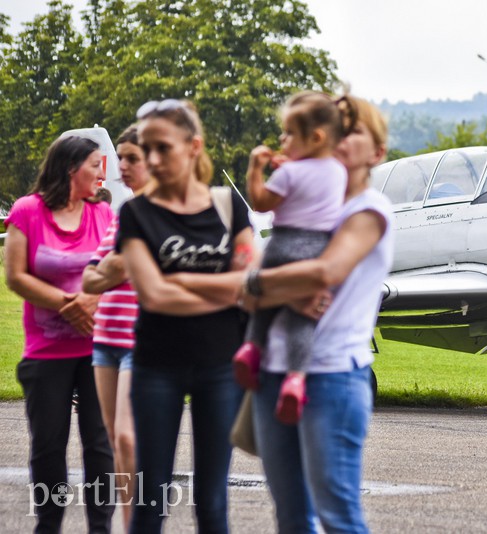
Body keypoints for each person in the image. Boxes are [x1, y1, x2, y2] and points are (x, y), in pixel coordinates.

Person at [169, 94, 392, 532]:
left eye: (354, 131)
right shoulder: (301, 210)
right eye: (338, 128)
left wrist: (258, 284)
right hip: (272, 375)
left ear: (378, 152)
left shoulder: (368, 210)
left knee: (337, 515)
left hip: (330, 375)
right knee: (290, 516)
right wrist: (272, 290)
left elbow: (326, 270)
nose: (341, 138)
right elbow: (251, 297)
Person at [116, 99, 253, 533]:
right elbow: (153, 296)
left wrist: (178, 281)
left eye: (164, 148)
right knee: (149, 503)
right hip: (156, 367)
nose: (152, 159)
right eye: (146, 148)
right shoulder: (136, 214)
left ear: (194, 147)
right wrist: (224, 288)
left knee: (212, 504)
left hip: (221, 368)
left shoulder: (229, 207)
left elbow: (248, 285)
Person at [4, 135, 115, 532]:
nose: (103, 174)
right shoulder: (27, 211)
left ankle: (100, 528)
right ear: (71, 168)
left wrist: (91, 303)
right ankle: (47, 526)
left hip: (98, 350)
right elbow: (16, 276)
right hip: (46, 352)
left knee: (100, 446)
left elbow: (117, 274)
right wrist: (68, 303)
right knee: (48, 447)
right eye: (95, 165)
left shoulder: (103, 213)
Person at [234, 90, 356, 425]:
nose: (282, 139)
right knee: (302, 320)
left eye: (288, 133)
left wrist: (255, 169)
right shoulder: (337, 172)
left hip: (281, 245)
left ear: (314, 137)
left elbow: (260, 202)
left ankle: (251, 349)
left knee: (267, 302)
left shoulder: (288, 175)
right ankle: (296, 379)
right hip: (315, 249)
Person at [81, 125, 150, 531]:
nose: (121, 167)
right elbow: (93, 276)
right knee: (114, 442)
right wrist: (122, 265)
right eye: (119, 158)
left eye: (131, 158)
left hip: (140, 340)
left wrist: (117, 266)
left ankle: (138, 523)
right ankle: (130, 524)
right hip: (104, 338)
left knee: (127, 438)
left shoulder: (170, 212)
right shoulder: (124, 212)